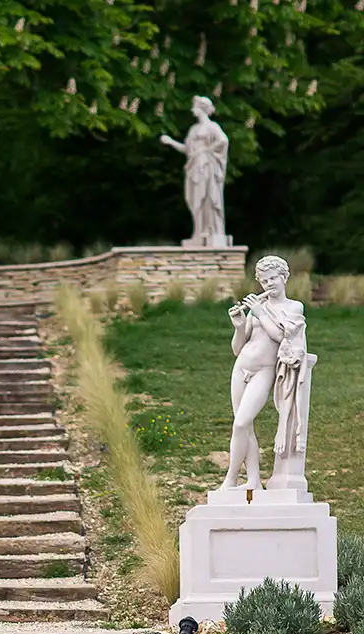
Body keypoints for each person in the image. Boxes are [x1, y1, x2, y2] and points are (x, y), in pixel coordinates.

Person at [221, 255, 307, 491]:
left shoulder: (293, 306)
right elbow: (237, 348)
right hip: (241, 367)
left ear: (284, 277)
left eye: (273, 278)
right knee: (243, 426)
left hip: (264, 371)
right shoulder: (256, 309)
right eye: (264, 280)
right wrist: (239, 325)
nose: (269, 284)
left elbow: (283, 338)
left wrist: (260, 312)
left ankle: (230, 478)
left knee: (241, 424)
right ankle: (253, 481)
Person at [160, 96, 229, 247]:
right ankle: (199, 231)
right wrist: (171, 142)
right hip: (195, 167)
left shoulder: (212, 127)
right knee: (194, 198)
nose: (193, 110)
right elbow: (187, 149)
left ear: (202, 109)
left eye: (195, 107)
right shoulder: (194, 129)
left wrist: (206, 150)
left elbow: (223, 141)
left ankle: (211, 231)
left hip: (207, 167)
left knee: (208, 197)